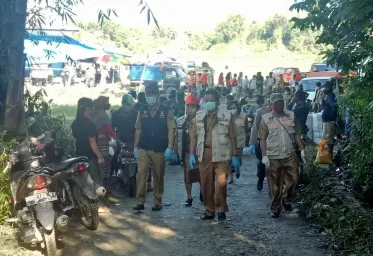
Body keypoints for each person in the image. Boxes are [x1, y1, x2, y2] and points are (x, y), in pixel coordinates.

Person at [189, 89, 240, 221]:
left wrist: (235, 156)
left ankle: (221, 209)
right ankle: (209, 210)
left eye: (211, 100)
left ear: (217, 102)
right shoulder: (198, 117)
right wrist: (191, 154)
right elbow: (193, 137)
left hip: (222, 154)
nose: (209, 103)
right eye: (206, 101)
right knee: (206, 185)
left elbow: (233, 137)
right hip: (204, 153)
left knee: (221, 184)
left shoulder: (227, 116)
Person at [258, 93, 305, 218]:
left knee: (294, 178)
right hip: (273, 156)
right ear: (271, 105)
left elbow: (297, 134)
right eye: (276, 103)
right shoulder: (266, 119)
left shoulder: (291, 115)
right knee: (275, 184)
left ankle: (287, 200)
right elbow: (262, 139)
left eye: (281, 102)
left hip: (289, 154)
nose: (280, 105)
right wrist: (264, 155)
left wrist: (302, 149)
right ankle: (276, 207)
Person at [133, 82, 176, 211]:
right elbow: (138, 130)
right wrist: (135, 146)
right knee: (141, 174)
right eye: (147, 94)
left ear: (157, 95)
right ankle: (140, 202)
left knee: (158, 175)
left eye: (152, 94)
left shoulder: (166, 111)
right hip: (144, 147)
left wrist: (170, 147)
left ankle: (157, 201)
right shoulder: (142, 110)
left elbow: (171, 130)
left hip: (159, 149)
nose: (149, 96)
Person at [71, 98, 108, 213]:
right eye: (91, 107)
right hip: (90, 156)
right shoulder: (89, 124)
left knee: (83, 181)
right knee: (96, 180)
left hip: (78, 155)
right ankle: (99, 205)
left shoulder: (75, 122)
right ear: (88, 108)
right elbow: (92, 143)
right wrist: (100, 157)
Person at [174, 95, 203, 206]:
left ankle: (202, 193)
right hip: (186, 153)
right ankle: (189, 197)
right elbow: (177, 138)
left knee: (201, 175)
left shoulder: (202, 121)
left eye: (193, 107)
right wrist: (175, 151)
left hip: (200, 152)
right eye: (188, 106)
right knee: (187, 176)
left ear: (197, 108)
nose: (190, 109)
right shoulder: (180, 121)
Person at [92, 96, 116, 194]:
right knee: (105, 164)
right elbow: (110, 131)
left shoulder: (92, 115)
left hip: (93, 142)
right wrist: (117, 139)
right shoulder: (104, 117)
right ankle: (106, 187)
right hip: (102, 143)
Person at [111, 93, 137, 174]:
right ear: (123, 104)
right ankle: (111, 177)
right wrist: (118, 141)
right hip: (121, 141)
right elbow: (111, 130)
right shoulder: (115, 114)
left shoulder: (136, 114)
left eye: (131, 105)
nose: (130, 107)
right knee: (115, 159)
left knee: (144, 160)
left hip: (135, 142)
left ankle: (149, 182)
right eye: (128, 105)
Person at [248, 99, 271, 191]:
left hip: (277, 142)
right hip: (263, 141)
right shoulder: (261, 112)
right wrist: (252, 143)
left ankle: (272, 187)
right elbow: (255, 127)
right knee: (262, 163)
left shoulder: (282, 112)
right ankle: (260, 179)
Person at [227, 100, 247, 184]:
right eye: (230, 108)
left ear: (237, 107)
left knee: (238, 161)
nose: (232, 109)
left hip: (239, 142)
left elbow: (246, 129)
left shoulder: (244, 116)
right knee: (227, 160)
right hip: (228, 142)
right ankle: (230, 177)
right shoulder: (226, 116)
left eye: (234, 108)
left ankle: (237, 169)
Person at [321, 81, 338, 159]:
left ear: (329, 88)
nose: (324, 89)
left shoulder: (331, 96)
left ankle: (329, 157)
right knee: (327, 138)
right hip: (327, 120)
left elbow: (334, 108)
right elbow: (326, 107)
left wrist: (329, 116)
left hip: (329, 120)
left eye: (325, 87)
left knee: (328, 139)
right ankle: (329, 156)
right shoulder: (328, 96)